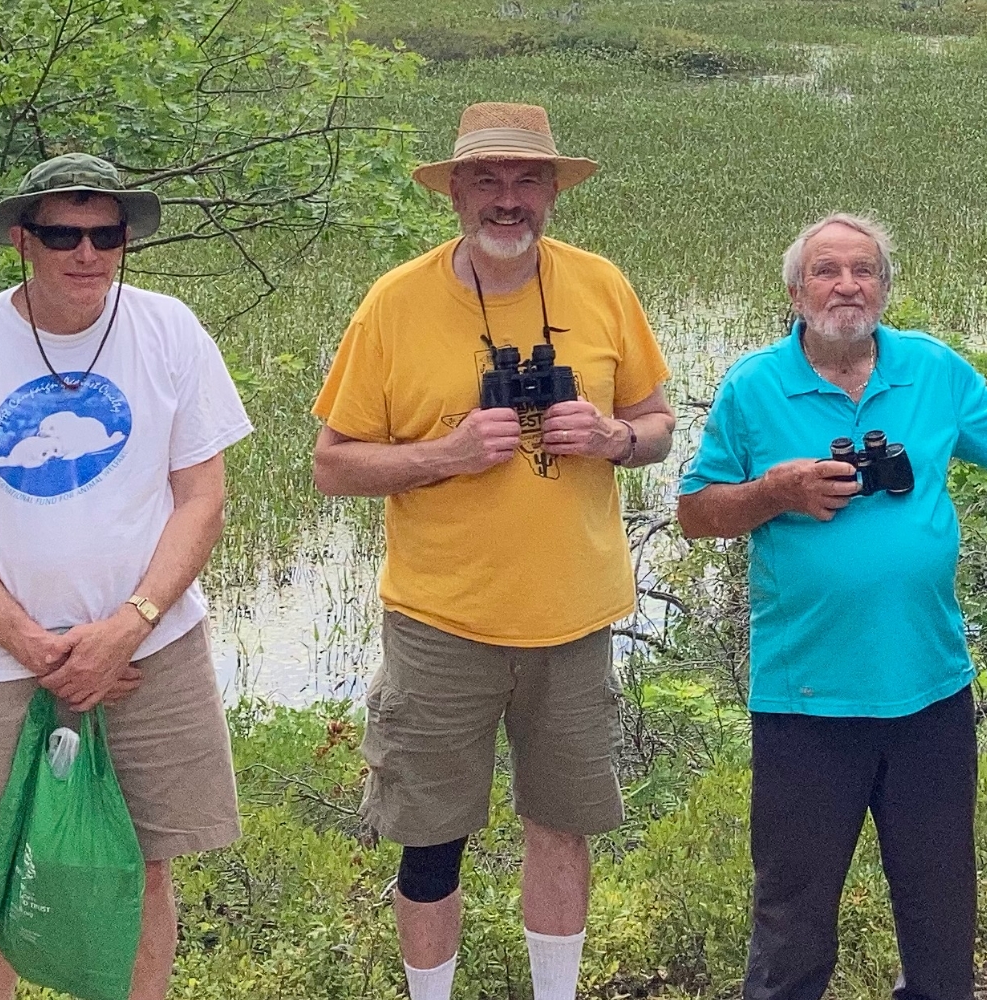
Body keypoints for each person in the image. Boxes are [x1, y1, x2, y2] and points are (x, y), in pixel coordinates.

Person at [309, 101, 676, 1000]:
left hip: (574, 616)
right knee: (430, 836)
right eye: (487, 180)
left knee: (561, 826)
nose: (506, 200)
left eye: (526, 181)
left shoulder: (600, 285)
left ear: (553, 192)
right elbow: (331, 466)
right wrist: (447, 453)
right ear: (455, 193)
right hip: (443, 621)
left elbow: (658, 424)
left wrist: (615, 439)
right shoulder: (395, 302)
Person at [0, 152, 252, 1000]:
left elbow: (203, 499)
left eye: (106, 234)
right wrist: (41, 648)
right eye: (62, 234)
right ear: (23, 240)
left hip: (152, 654)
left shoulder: (170, 329)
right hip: (4, 668)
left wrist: (128, 623)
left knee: (142, 870)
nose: (86, 254)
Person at [676, 213, 987, 1000]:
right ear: (795, 290)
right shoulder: (755, 386)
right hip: (806, 699)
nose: (846, 285)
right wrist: (774, 491)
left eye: (864, 270)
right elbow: (697, 513)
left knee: (941, 915)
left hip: (930, 689)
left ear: (887, 289)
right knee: (793, 922)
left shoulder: (931, 369)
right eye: (827, 270)